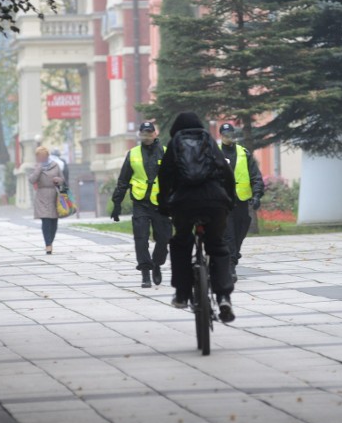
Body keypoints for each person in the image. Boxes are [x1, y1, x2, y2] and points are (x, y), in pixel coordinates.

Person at [157, 112, 237, 323]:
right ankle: (223, 298)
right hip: (214, 201)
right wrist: (230, 199)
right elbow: (226, 171)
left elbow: (164, 176)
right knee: (218, 246)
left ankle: (182, 294)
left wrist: (163, 203)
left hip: (184, 203)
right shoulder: (208, 141)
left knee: (181, 243)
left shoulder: (175, 143)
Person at [111, 122, 172, 288]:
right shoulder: (133, 154)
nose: (147, 135)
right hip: (140, 202)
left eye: (149, 132)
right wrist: (117, 203)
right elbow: (123, 180)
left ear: (154, 134)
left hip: (160, 203)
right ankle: (145, 271)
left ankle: (157, 264)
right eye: (144, 133)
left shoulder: (166, 153)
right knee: (141, 237)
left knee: (164, 238)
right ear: (140, 134)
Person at [218, 123, 264, 283]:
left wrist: (257, 195)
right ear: (221, 136)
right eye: (225, 134)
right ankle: (230, 267)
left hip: (242, 201)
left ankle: (233, 256)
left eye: (230, 134)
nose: (228, 137)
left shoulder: (244, 153)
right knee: (228, 234)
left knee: (239, 232)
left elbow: (255, 176)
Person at [28, 146, 64, 254]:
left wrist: (59, 180)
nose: (41, 158)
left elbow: (62, 179)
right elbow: (31, 180)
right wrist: (38, 170)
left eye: (43, 156)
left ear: (47, 156)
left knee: (54, 222)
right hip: (42, 196)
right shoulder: (36, 167)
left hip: (54, 196)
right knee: (46, 221)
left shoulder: (55, 165)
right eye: (39, 156)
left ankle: (50, 241)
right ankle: (48, 244)